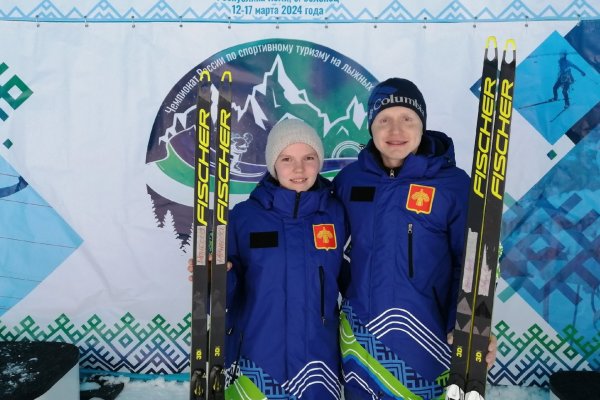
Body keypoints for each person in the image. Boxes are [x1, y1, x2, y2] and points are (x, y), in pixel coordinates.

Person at [332, 78, 496, 399]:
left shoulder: (453, 185)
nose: (396, 131)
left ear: (422, 124)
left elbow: (474, 261)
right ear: (371, 126)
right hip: (359, 340)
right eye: (384, 120)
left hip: (426, 339)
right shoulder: (348, 181)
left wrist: (470, 327)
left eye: (407, 118)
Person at [189, 119, 346, 399]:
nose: (299, 169)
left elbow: (353, 277)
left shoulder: (337, 214)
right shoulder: (244, 217)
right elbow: (228, 293)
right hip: (258, 354)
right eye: (287, 158)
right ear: (273, 163)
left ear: (320, 161)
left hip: (318, 361)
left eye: (308, 158)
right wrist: (216, 278)